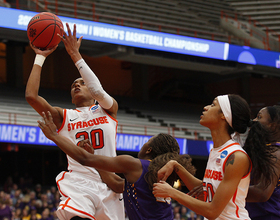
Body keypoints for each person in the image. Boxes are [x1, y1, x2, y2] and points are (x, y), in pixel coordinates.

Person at [25, 23, 124, 220]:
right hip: (80, 181)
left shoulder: (107, 108)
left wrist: (75, 55)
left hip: (109, 182)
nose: (77, 85)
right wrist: (40, 56)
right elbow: (31, 96)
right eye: (73, 85)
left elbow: (98, 90)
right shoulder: (65, 116)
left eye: (81, 83)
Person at [37, 111, 197, 220]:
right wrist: (94, 157)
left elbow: (83, 159)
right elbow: (118, 185)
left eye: (147, 141)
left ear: (149, 149)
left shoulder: (134, 164)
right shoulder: (160, 173)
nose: (143, 144)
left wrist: (54, 136)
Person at [153, 94, 276, 220]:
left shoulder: (236, 156)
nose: (206, 108)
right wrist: (176, 166)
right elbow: (206, 192)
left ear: (224, 115)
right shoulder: (217, 151)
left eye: (213, 105)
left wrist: (172, 192)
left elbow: (212, 211)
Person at [245, 105, 280, 220]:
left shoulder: (275, 152)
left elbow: (262, 192)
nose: (253, 121)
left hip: (269, 216)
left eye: (259, 117)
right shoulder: (263, 150)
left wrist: (225, 189)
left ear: (273, 125)